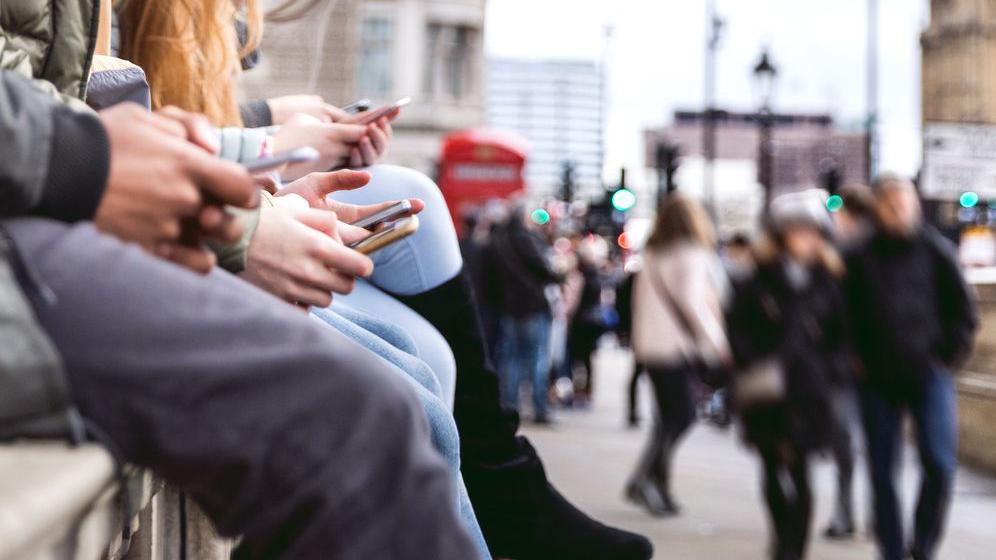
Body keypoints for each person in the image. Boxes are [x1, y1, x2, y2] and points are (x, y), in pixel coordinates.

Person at [0, 3, 481, 556]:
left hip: (60, 200)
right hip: (48, 216)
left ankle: (506, 478)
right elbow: (84, 122)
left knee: (406, 367)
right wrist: (240, 224)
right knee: (372, 419)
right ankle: (508, 487)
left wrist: (259, 192)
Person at [844, 174, 977, 560]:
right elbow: (841, 314)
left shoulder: (935, 251)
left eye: (906, 205)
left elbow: (964, 312)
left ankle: (922, 546)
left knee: (939, 463)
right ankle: (892, 549)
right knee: (882, 470)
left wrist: (946, 355)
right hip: (876, 377)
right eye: (892, 205)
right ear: (879, 208)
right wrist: (854, 358)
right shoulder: (858, 255)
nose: (900, 212)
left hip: (928, 371)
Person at [727, 190, 848, 560]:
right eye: (797, 231)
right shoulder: (758, 280)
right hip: (766, 387)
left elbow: (842, 335)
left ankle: (795, 550)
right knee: (771, 467)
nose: (806, 239)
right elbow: (737, 327)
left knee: (802, 472)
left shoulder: (829, 281)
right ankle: (781, 540)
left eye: (812, 232)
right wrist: (750, 359)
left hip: (809, 389)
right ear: (780, 235)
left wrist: (831, 370)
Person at [625, 195, 729, 517]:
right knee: (681, 416)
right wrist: (717, 343)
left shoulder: (653, 255)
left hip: (651, 347)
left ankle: (658, 485)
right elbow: (695, 305)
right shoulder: (692, 254)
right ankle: (644, 478)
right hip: (676, 348)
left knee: (666, 419)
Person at [822, 183, 876, 540]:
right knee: (868, 446)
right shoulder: (846, 252)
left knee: (848, 445)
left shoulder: (844, 254)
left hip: (852, 365)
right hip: (863, 365)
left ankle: (848, 515)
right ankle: (871, 516)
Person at [484, 206, 561, 423]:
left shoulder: (496, 242)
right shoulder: (525, 239)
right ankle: (539, 408)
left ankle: (510, 406)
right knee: (537, 358)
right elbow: (544, 269)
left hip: (509, 309)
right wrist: (558, 276)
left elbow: (490, 281)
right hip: (533, 306)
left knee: (511, 359)